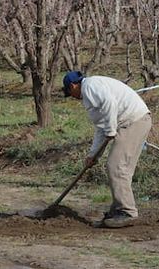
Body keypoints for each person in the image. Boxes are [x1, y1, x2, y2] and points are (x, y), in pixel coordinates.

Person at [62, 70, 152, 228]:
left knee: (116, 166)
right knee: (120, 169)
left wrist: (110, 130)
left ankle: (127, 212)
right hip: (133, 122)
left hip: (134, 121)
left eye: (70, 92)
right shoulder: (91, 93)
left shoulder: (89, 86)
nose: (72, 97)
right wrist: (93, 155)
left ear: (73, 86)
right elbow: (100, 129)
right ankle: (119, 209)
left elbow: (110, 103)